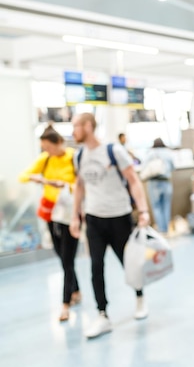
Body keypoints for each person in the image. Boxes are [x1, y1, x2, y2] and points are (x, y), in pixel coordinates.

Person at [69, 113, 151, 339]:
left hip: (119, 216)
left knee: (129, 263)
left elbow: (133, 180)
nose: (73, 131)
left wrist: (143, 210)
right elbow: (79, 186)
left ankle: (140, 298)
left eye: (76, 126)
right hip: (94, 218)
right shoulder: (79, 156)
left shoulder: (113, 151)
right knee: (96, 266)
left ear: (88, 126)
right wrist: (75, 215)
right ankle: (102, 314)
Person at [19, 126, 81, 322]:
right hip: (50, 212)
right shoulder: (45, 159)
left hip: (68, 212)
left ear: (58, 143)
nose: (46, 151)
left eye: (48, 147)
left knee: (67, 257)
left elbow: (81, 185)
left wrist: (63, 185)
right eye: (43, 148)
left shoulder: (73, 157)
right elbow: (23, 176)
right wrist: (36, 178)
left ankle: (65, 303)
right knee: (62, 256)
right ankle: (76, 290)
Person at [144, 138, 175, 234]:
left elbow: (144, 167)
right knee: (166, 206)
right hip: (166, 181)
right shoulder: (168, 153)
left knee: (156, 206)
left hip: (153, 183)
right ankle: (166, 229)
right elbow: (173, 167)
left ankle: (161, 229)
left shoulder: (150, 153)